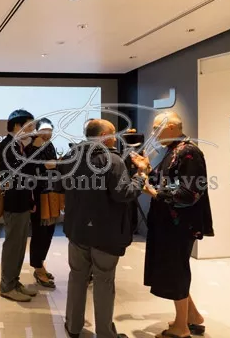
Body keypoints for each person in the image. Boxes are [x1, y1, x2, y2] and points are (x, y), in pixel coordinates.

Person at [57, 119, 149, 338]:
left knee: (77, 277)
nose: (115, 138)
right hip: (105, 233)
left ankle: (73, 326)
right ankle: (105, 333)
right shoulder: (113, 160)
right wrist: (140, 176)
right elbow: (123, 193)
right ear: (103, 136)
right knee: (104, 281)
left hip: (77, 229)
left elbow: (59, 185)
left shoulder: (70, 156)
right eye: (113, 133)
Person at [138, 112, 214, 338]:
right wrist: (146, 170)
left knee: (176, 271)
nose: (153, 133)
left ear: (171, 127)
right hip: (170, 223)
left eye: (156, 128)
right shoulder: (174, 150)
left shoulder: (188, 152)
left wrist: (154, 193)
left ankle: (181, 327)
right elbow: (164, 180)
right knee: (175, 269)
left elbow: (189, 194)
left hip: (179, 225)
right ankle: (193, 316)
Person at [0, 109, 43, 302]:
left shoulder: (17, 145)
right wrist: (34, 148)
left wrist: (30, 201)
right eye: (30, 126)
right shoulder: (7, 145)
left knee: (20, 246)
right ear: (17, 126)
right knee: (13, 246)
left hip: (22, 201)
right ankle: (7, 286)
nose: (33, 130)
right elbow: (20, 171)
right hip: (13, 203)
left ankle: (14, 282)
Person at [27, 118, 59, 289]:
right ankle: (37, 267)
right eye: (44, 130)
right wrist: (45, 166)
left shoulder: (49, 145)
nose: (48, 134)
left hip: (51, 192)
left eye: (50, 131)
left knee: (49, 230)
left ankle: (41, 263)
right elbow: (29, 169)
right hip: (36, 194)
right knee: (39, 232)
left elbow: (54, 165)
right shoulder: (30, 146)